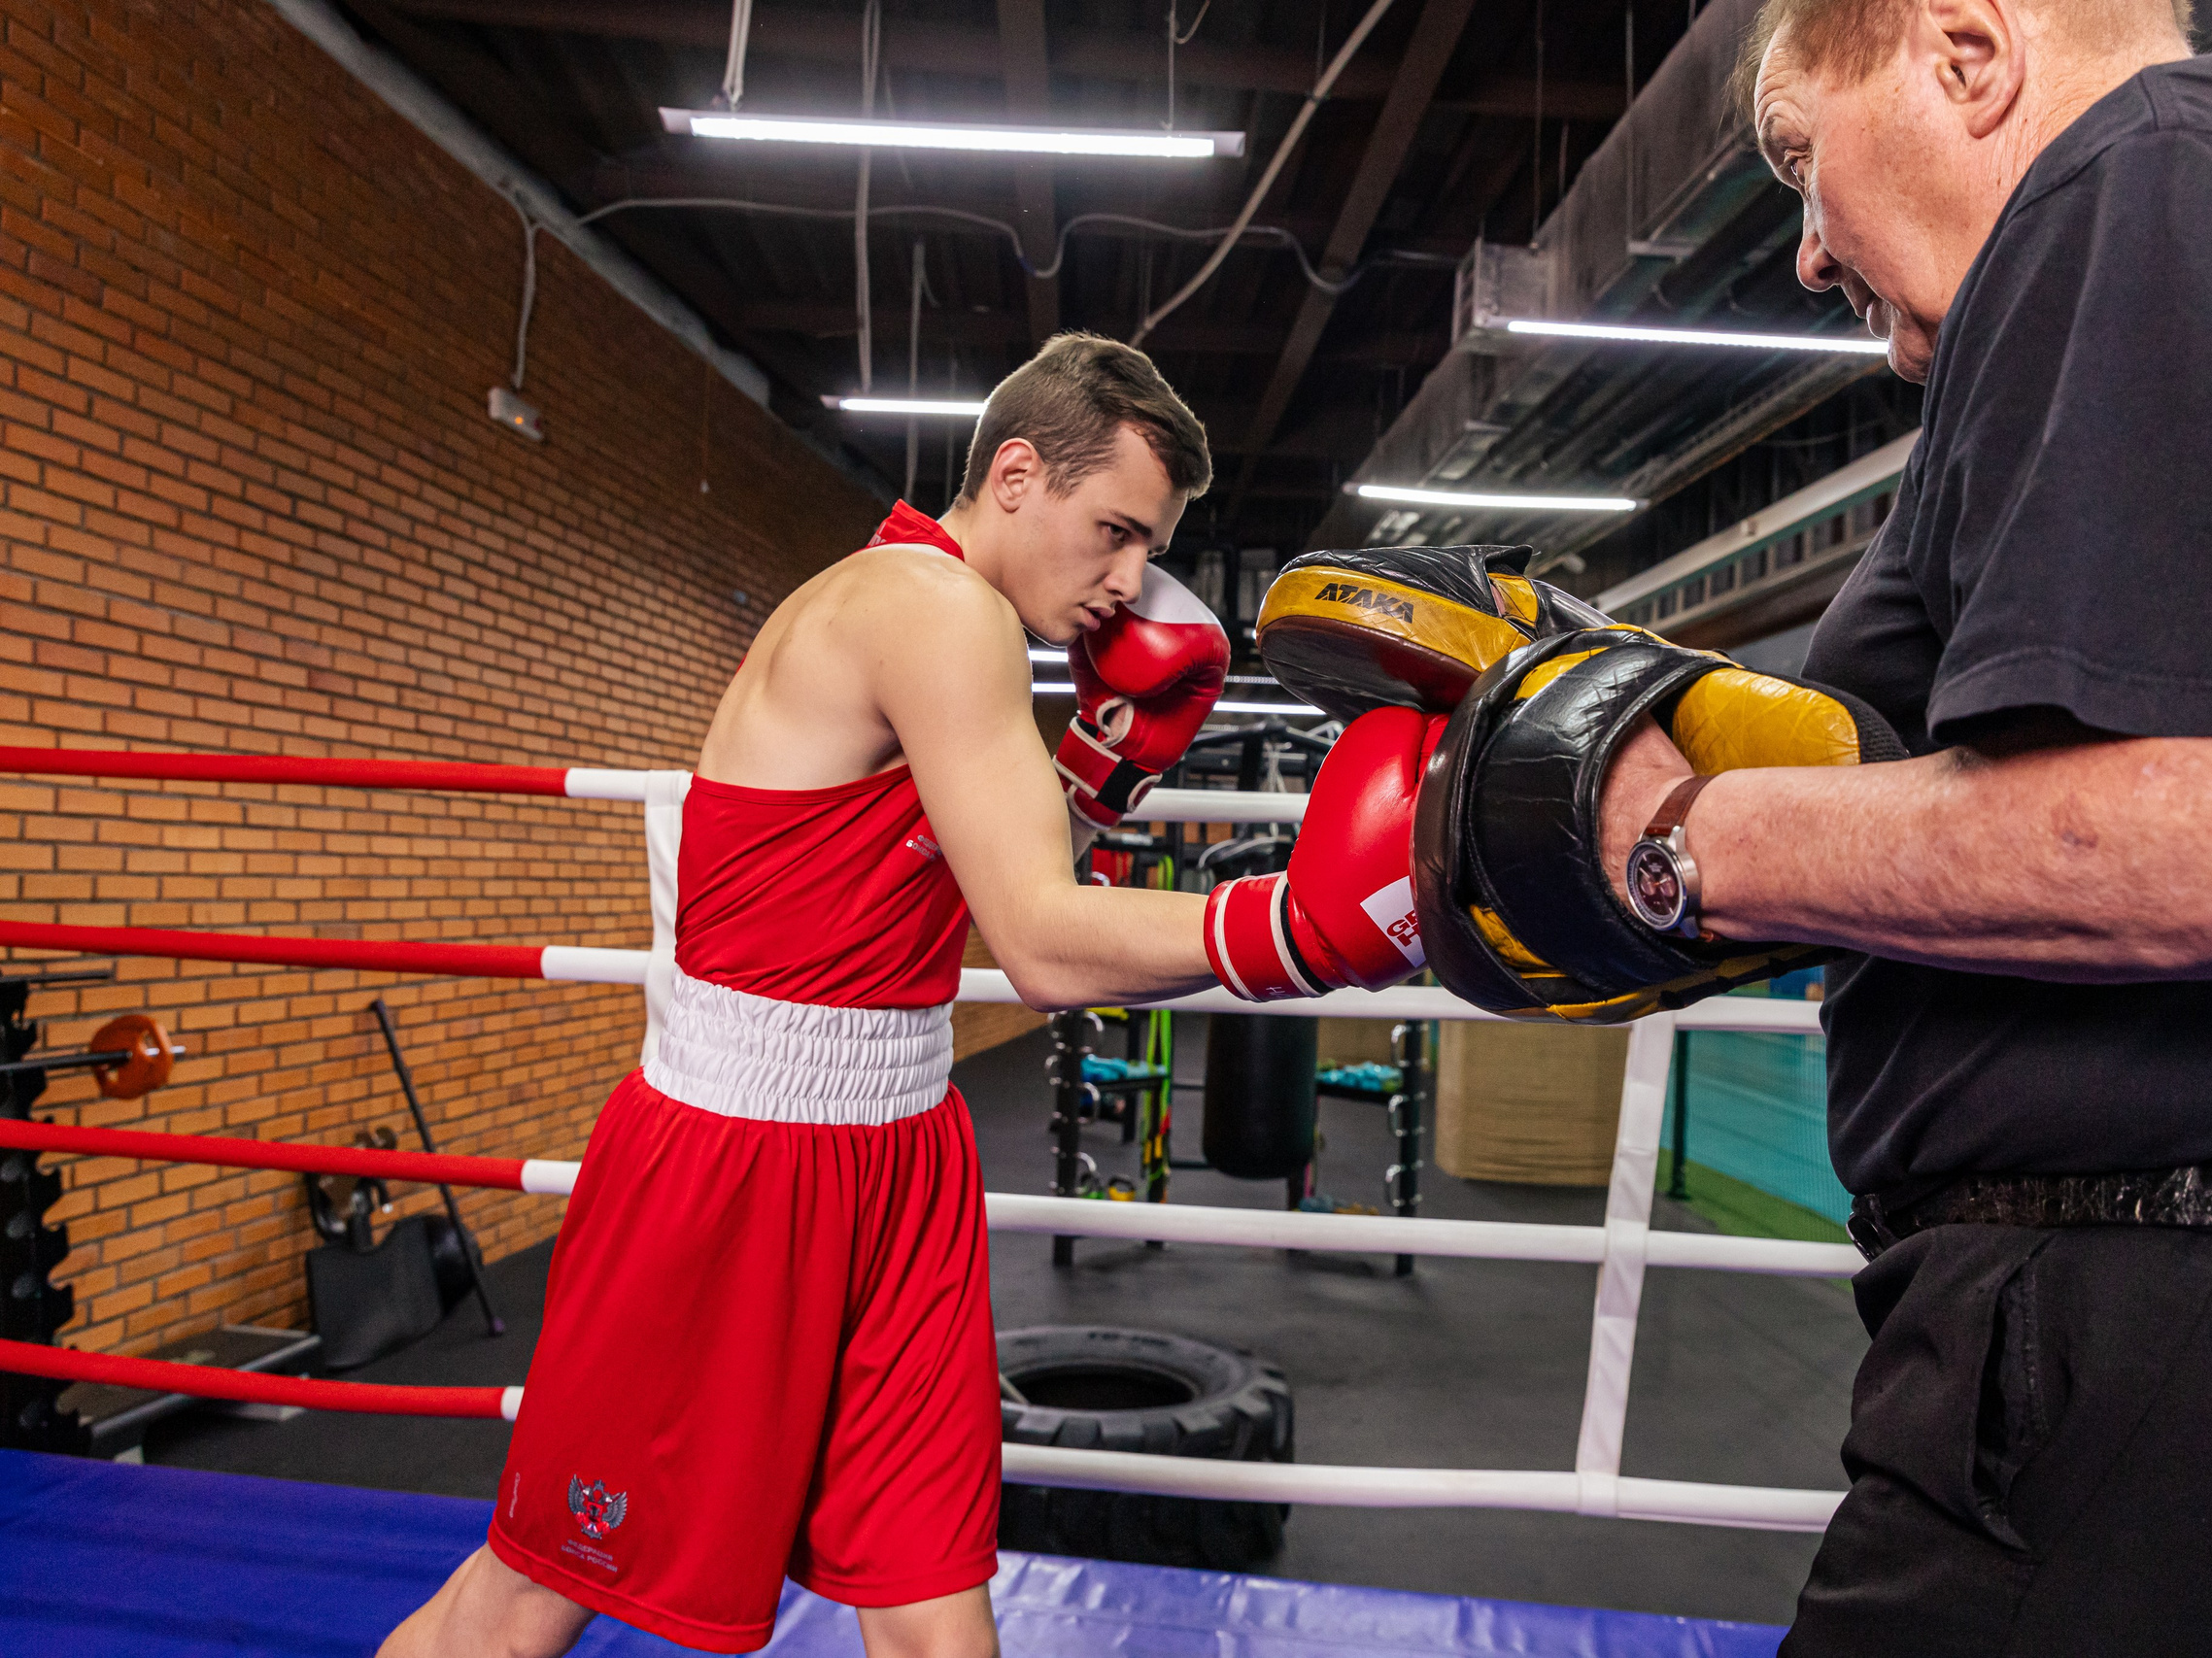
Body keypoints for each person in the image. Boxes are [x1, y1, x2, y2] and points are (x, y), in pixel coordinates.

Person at [1400, 0, 2212, 1648]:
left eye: (1796, 159)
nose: (1808, 256)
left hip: (2201, 1364)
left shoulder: (2167, 173)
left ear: (1965, 52)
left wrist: (1680, 837)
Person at [377, 334, 1436, 1658]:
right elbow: (1043, 946)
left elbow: (936, 867)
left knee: (932, 1597)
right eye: (1113, 532)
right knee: (531, 1594)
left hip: (900, 1149)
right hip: (739, 1165)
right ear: (1014, 473)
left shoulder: (959, 628)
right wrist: (1301, 930)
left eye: (1146, 548)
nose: (1129, 581)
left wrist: (1097, 773)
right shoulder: (928, 609)